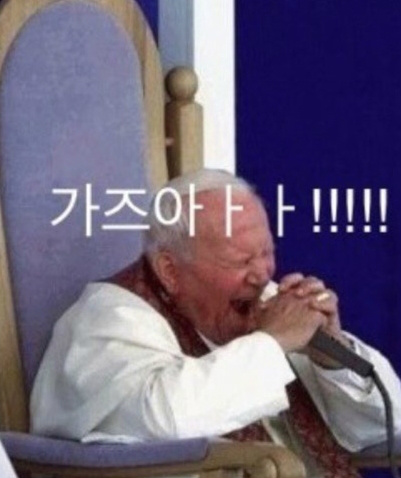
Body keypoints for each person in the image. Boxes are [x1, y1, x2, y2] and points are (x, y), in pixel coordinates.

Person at [31, 169, 401, 478]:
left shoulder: (265, 300)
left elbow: (385, 424)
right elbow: (168, 421)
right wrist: (272, 343)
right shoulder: (108, 317)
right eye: (241, 262)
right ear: (170, 270)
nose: (261, 275)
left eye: (267, 253)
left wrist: (331, 357)